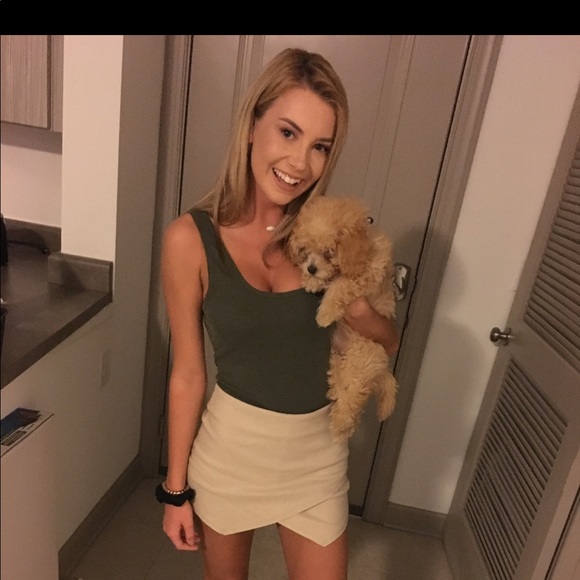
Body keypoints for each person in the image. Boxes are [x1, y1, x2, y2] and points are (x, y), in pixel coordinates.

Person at [158, 47, 399, 580]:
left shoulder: (328, 235)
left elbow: (389, 341)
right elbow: (188, 374)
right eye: (288, 133)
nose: (299, 163)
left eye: (319, 147)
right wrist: (175, 491)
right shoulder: (188, 240)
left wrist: (361, 311)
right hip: (231, 456)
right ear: (252, 126)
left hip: (317, 460)